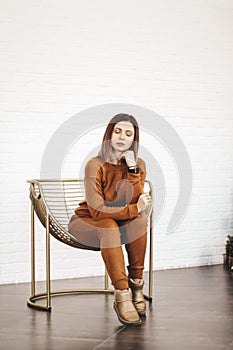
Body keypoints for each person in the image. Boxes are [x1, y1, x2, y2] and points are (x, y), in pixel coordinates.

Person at [68, 113, 152, 326]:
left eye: (128, 133)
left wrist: (132, 169)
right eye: (117, 131)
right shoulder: (95, 164)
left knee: (139, 220)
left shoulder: (138, 163)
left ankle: (136, 286)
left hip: (116, 224)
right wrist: (135, 208)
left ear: (134, 139)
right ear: (109, 134)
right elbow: (97, 210)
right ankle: (122, 294)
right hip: (87, 222)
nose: (122, 137)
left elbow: (132, 203)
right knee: (108, 224)